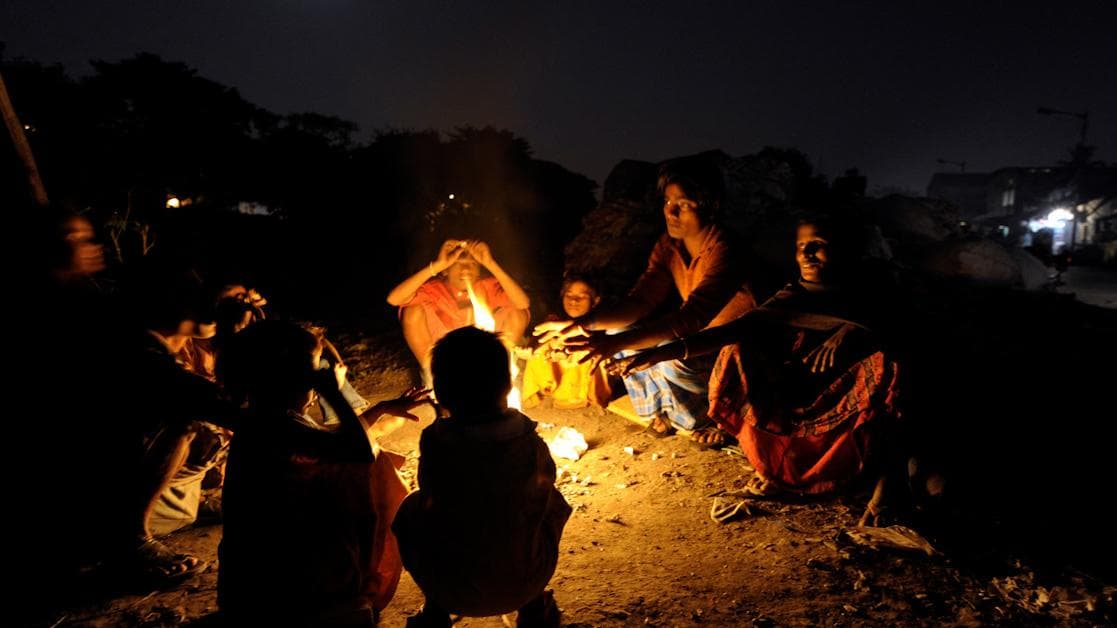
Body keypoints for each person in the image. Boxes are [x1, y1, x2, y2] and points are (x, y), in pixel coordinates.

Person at [617, 216, 902, 506]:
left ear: (846, 251)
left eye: (818, 245)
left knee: (892, 364)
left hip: (847, 396)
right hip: (802, 385)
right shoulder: (795, 294)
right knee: (738, 350)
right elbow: (736, 329)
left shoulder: (873, 288)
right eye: (801, 245)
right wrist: (659, 353)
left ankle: (884, 484)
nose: (806, 254)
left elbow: (899, 328)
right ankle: (772, 466)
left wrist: (851, 331)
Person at [216, 320, 429, 626]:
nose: (321, 380)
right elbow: (356, 452)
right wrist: (336, 392)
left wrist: (380, 409)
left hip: (254, 580)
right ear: (293, 378)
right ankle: (354, 596)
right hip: (288, 587)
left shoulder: (265, 418)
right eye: (316, 371)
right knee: (376, 470)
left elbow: (331, 441)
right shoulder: (276, 426)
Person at [535, 156, 755, 445]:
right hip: (698, 346)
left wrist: (617, 345)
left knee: (664, 350)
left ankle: (707, 417)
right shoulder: (669, 245)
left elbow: (693, 316)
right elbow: (640, 301)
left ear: (710, 205)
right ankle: (657, 414)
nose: (671, 212)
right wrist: (585, 324)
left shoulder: (725, 248)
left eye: (684, 204)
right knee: (618, 332)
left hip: (734, 353)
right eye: (667, 202)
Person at [393, 327, 570, 627]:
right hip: (525, 580)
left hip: (449, 588)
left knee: (412, 509)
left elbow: (434, 490)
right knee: (550, 502)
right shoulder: (530, 442)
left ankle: (434, 609)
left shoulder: (436, 442)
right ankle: (534, 604)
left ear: (441, 392)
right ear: (507, 385)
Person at [387, 239, 530, 384]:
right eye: (458, 263)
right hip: (445, 359)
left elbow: (522, 303)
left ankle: (499, 373)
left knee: (518, 313)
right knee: (412, 312)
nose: (466, 269)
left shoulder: (487, 287)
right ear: (446, 269)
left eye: (473, 264)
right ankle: (434, 380)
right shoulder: (433, 289)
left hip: (483, 356)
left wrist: (490, 263)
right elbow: (394, 299)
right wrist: (437, 265)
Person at [520, 276, 611, 409]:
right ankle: (543, 390)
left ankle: (579, 397)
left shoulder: (601, 322)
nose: (574, 300)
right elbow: (539, 338)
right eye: (569, 295)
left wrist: (567, 352)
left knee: (592, 352)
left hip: (583, 384)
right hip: (557, 373)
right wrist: (532, 348)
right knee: (542, 348)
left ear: (595, 301)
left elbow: (596, 342)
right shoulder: (554, 320)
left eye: (582, 296)